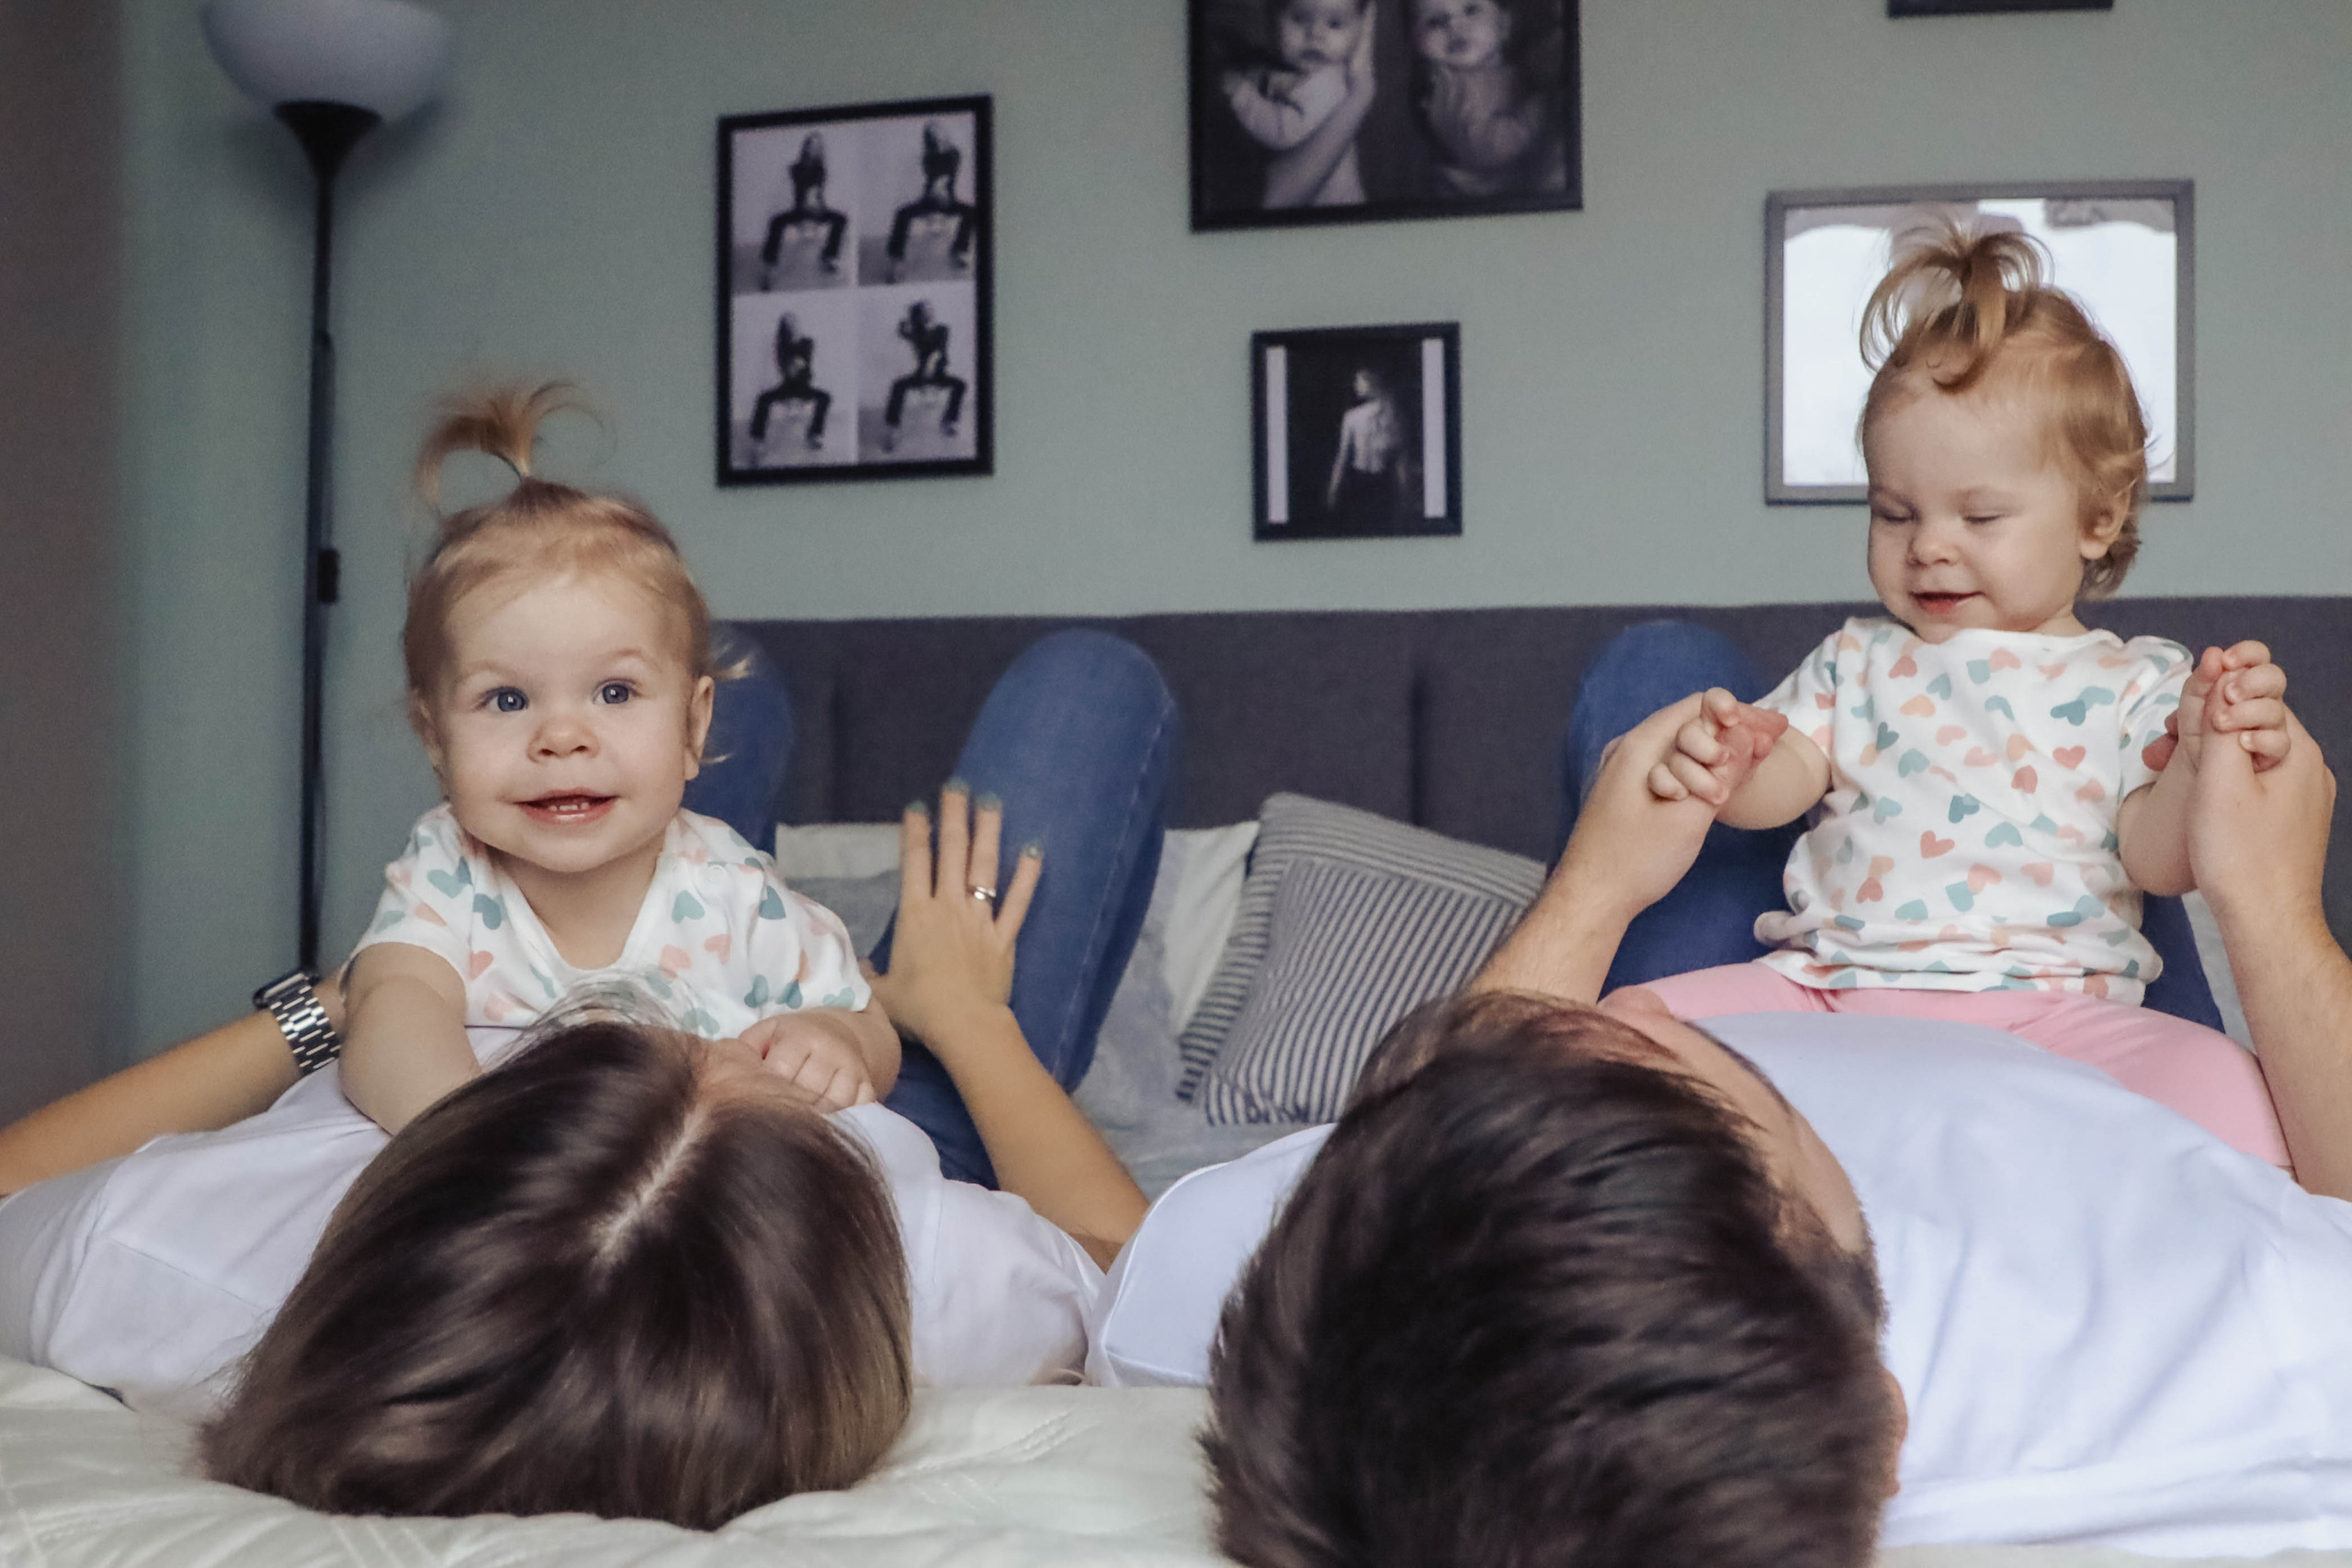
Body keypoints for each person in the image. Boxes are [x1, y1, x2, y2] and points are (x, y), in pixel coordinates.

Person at [1098, 684, 2352, 1561]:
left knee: (1659, 698)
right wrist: (2272, 902)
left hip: (1795, 985)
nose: (1566, 1022)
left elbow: (1425, 1119)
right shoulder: (2228, 1329)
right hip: (2094, 1028)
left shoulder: (1271, 1288)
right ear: (1887, 1427)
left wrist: (1590, 886)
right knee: (1661, 678)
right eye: (1667, 1071)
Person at [1636, 222, 2292, 1162]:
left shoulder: (2132, 681)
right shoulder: (1856, 659)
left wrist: (2202, 754)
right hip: (1831, 992)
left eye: (1978, 515)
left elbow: (2156, 860)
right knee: (1617, 1035)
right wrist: (1734, 760)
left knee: (2242, 1104)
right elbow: (1783, 779)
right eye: (1892, 513)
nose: (1928, 545)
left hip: (2055, 1014)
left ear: (2097, 519)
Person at [307, 384, 892, 1136]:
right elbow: (393, 1011)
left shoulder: (732, 888)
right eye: (508, 700)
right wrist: (466, 1134)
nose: (562, 737)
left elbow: (861, 1015)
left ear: (694, 725)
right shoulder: (450, 870)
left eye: (614, 691)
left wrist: (839, 1042)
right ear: (434, 739)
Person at [1407, 0, 1566, 197]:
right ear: (1414, 41)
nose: (1454, 25)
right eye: (1434, 22)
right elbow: (1488, 148)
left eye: (1471, 10)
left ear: (1504, 25)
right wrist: (1541, 109)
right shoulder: (1447, 88)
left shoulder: (1508, 71)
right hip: (1475, 201)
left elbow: (1538, 67)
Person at [1223, 0, 1373, 208]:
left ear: (1360, 30)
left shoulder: (1330, 82)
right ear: (1272, 17)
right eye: (1300, 19)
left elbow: (1282, 131)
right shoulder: (1302, 73)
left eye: (1335, 24)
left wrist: (1241, 95)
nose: (1315, 34)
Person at [881, 121, 977, 282]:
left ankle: (959, 250)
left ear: (944, 134)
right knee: (901, 213)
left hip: (948, 200)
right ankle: (896, 261)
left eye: (938, 132)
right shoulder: (928, 157)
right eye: (932, 134)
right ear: (929, 138)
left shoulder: (954, 153)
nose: (936, 136)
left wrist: (941, 186)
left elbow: (949, 173)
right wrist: (935, 189)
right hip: (929, 199)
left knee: (972, 211)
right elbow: (932, 177)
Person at [1322, 366, 1412, 532]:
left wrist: (1333, 490)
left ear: (1371, 382)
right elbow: (1342, 459)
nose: (1356, 384)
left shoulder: (1362, 416)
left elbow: (1401, 462)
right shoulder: (1354, 416)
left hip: (1379, 485)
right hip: (1363, 483)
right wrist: (1333, 489)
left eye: (1359, 380)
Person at [759, 130, 848, 287]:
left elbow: (826, 195)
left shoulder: (822, 171)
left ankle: (828, 257)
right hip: (797, 210)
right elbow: (783, 193)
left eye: (817, 147)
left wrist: (820, 206)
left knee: (841, 219)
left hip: (818, 211)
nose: (813, 150)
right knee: (775, 222)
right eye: (811, 146)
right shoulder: (793, 169)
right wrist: (801, 204)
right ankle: (769, 268)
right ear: (805, 147)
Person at [881, 299, 967, 452]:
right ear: (919, 315)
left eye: (930, 309)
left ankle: (948, 421)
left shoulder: (942, 329)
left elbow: (937, 353)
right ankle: (892, 429)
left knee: (960, 384)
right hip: (919, 375)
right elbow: (902, 332)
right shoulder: (916, 333)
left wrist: (928, 378)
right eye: (925, 310)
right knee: (897, 386)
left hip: (937, 374)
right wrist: (905, 322)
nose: (930, 312)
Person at [748, 311, 832, 452]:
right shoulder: (782, 349)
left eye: (794, 324)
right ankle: (758, 440)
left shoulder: (807, 342)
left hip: (804, 388)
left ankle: (815, 434)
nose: (794, 329)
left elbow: (803, 363)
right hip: (787, 389)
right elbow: (789, 369)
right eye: (789, 326)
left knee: (825, 397)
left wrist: (796, 363)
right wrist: (794, 363)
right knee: (763, 399)